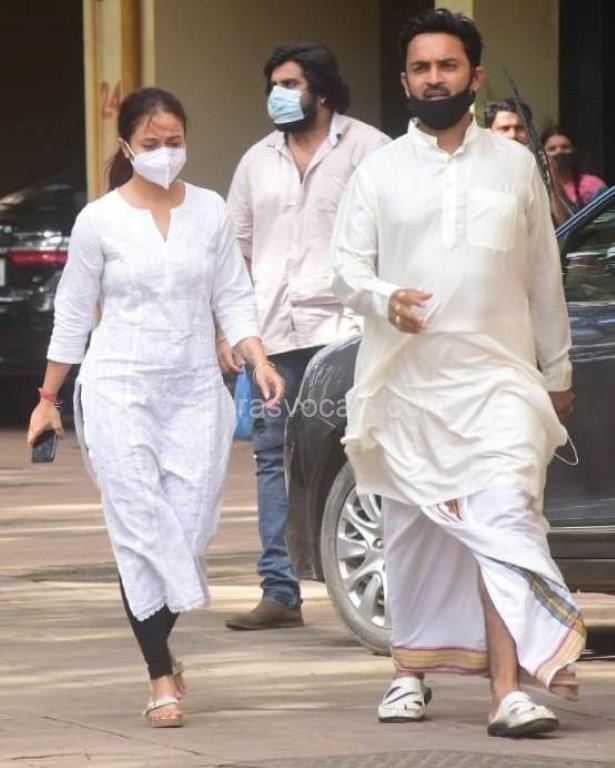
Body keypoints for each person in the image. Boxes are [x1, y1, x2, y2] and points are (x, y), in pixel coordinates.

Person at [331, 8, 585, 738]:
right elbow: (344, 269)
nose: (434, 78)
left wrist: (557, 367)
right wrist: (384, 298)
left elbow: (543, 276)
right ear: (404, 80)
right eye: (421, 68)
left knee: (505, 518)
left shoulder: (514, 165)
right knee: (415, 535)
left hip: (500, 379)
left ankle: (509, 689)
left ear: (474, 76)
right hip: (406, 384)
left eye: (447, 66)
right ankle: (408, 669)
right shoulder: (378, 171)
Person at [26, 87, 284, 728]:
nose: (165, 153)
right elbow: (72, 313)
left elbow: (234, 297)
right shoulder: (99, 221)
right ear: (126, 147)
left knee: (188, 533)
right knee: (142, 529)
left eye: (174, 142)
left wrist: (258, 358)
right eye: (151, 144)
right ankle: (160, 675)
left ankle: (163, 645)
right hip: (118, 387)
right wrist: (47, 398)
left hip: (195, 390)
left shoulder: (211, 211)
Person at [221, 43, 389, 631]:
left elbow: (393, 237)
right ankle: (279, 591)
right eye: (274, 84)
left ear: (321, 88)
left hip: (348, 334)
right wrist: (230, 330)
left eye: (290, 83)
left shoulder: (369, 149)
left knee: (363, 451)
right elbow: (234, 251)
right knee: (271, 458)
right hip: (273, 340)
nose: (279, 94)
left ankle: (384, 583)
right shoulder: (256, 161)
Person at [541, 125, 607, 223]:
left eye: (565, 147)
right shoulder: (537, 189)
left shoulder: (593, 185)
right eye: (552, 149)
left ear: (574, 151)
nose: (559, 152)